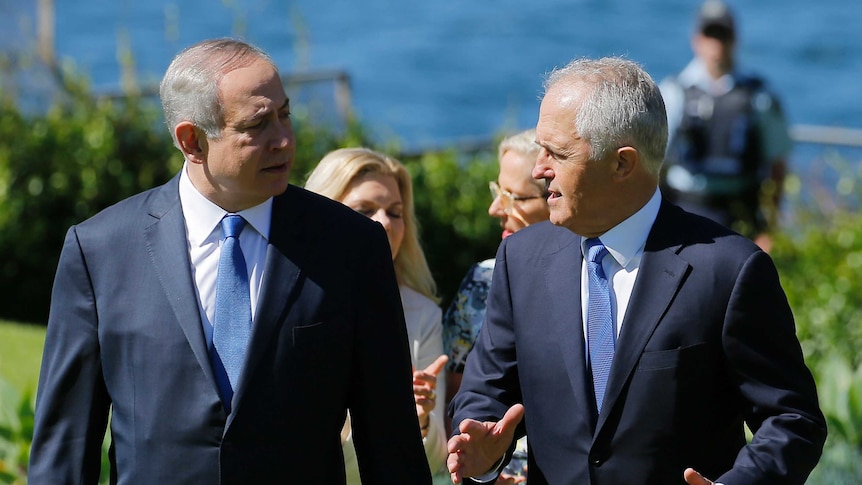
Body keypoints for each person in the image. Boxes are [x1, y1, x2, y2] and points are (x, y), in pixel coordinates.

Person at [28, 38, 432, 484]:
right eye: (258, 125)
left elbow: (391, 444)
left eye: (285, 114)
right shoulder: (100, 250)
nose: (284, 139)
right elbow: (65, 448)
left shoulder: (351, 246)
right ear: (192, 141)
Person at [447, 56, 826, 485]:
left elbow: (793, 419)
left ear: (622, 164)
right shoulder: (521, 262)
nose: (539, 169)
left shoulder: (729, 270)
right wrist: (480, 445)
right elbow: (485, 393)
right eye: (541, 149)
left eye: (557, 153)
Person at [304, 147, 449, 482]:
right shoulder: (282, 303)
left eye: (395, 212)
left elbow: (434, 463)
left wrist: (420, 421)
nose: (384, 223)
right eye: (364, 210)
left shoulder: (422, 314)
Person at [442, 128, 550, 483]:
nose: (495, 209)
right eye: (497, 192)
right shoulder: (479, 284)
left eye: (516, 198)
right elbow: (459, 405)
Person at [660, 0, 792, 251]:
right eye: (710, 34)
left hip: (741, 213)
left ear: (735, 39)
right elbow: (654, 163)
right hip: (685, 208)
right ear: (696, 39)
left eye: (723, 34)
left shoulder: (758, 96)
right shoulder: (674, 93)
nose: (716, 44)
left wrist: (769, 229)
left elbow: (777, 165)